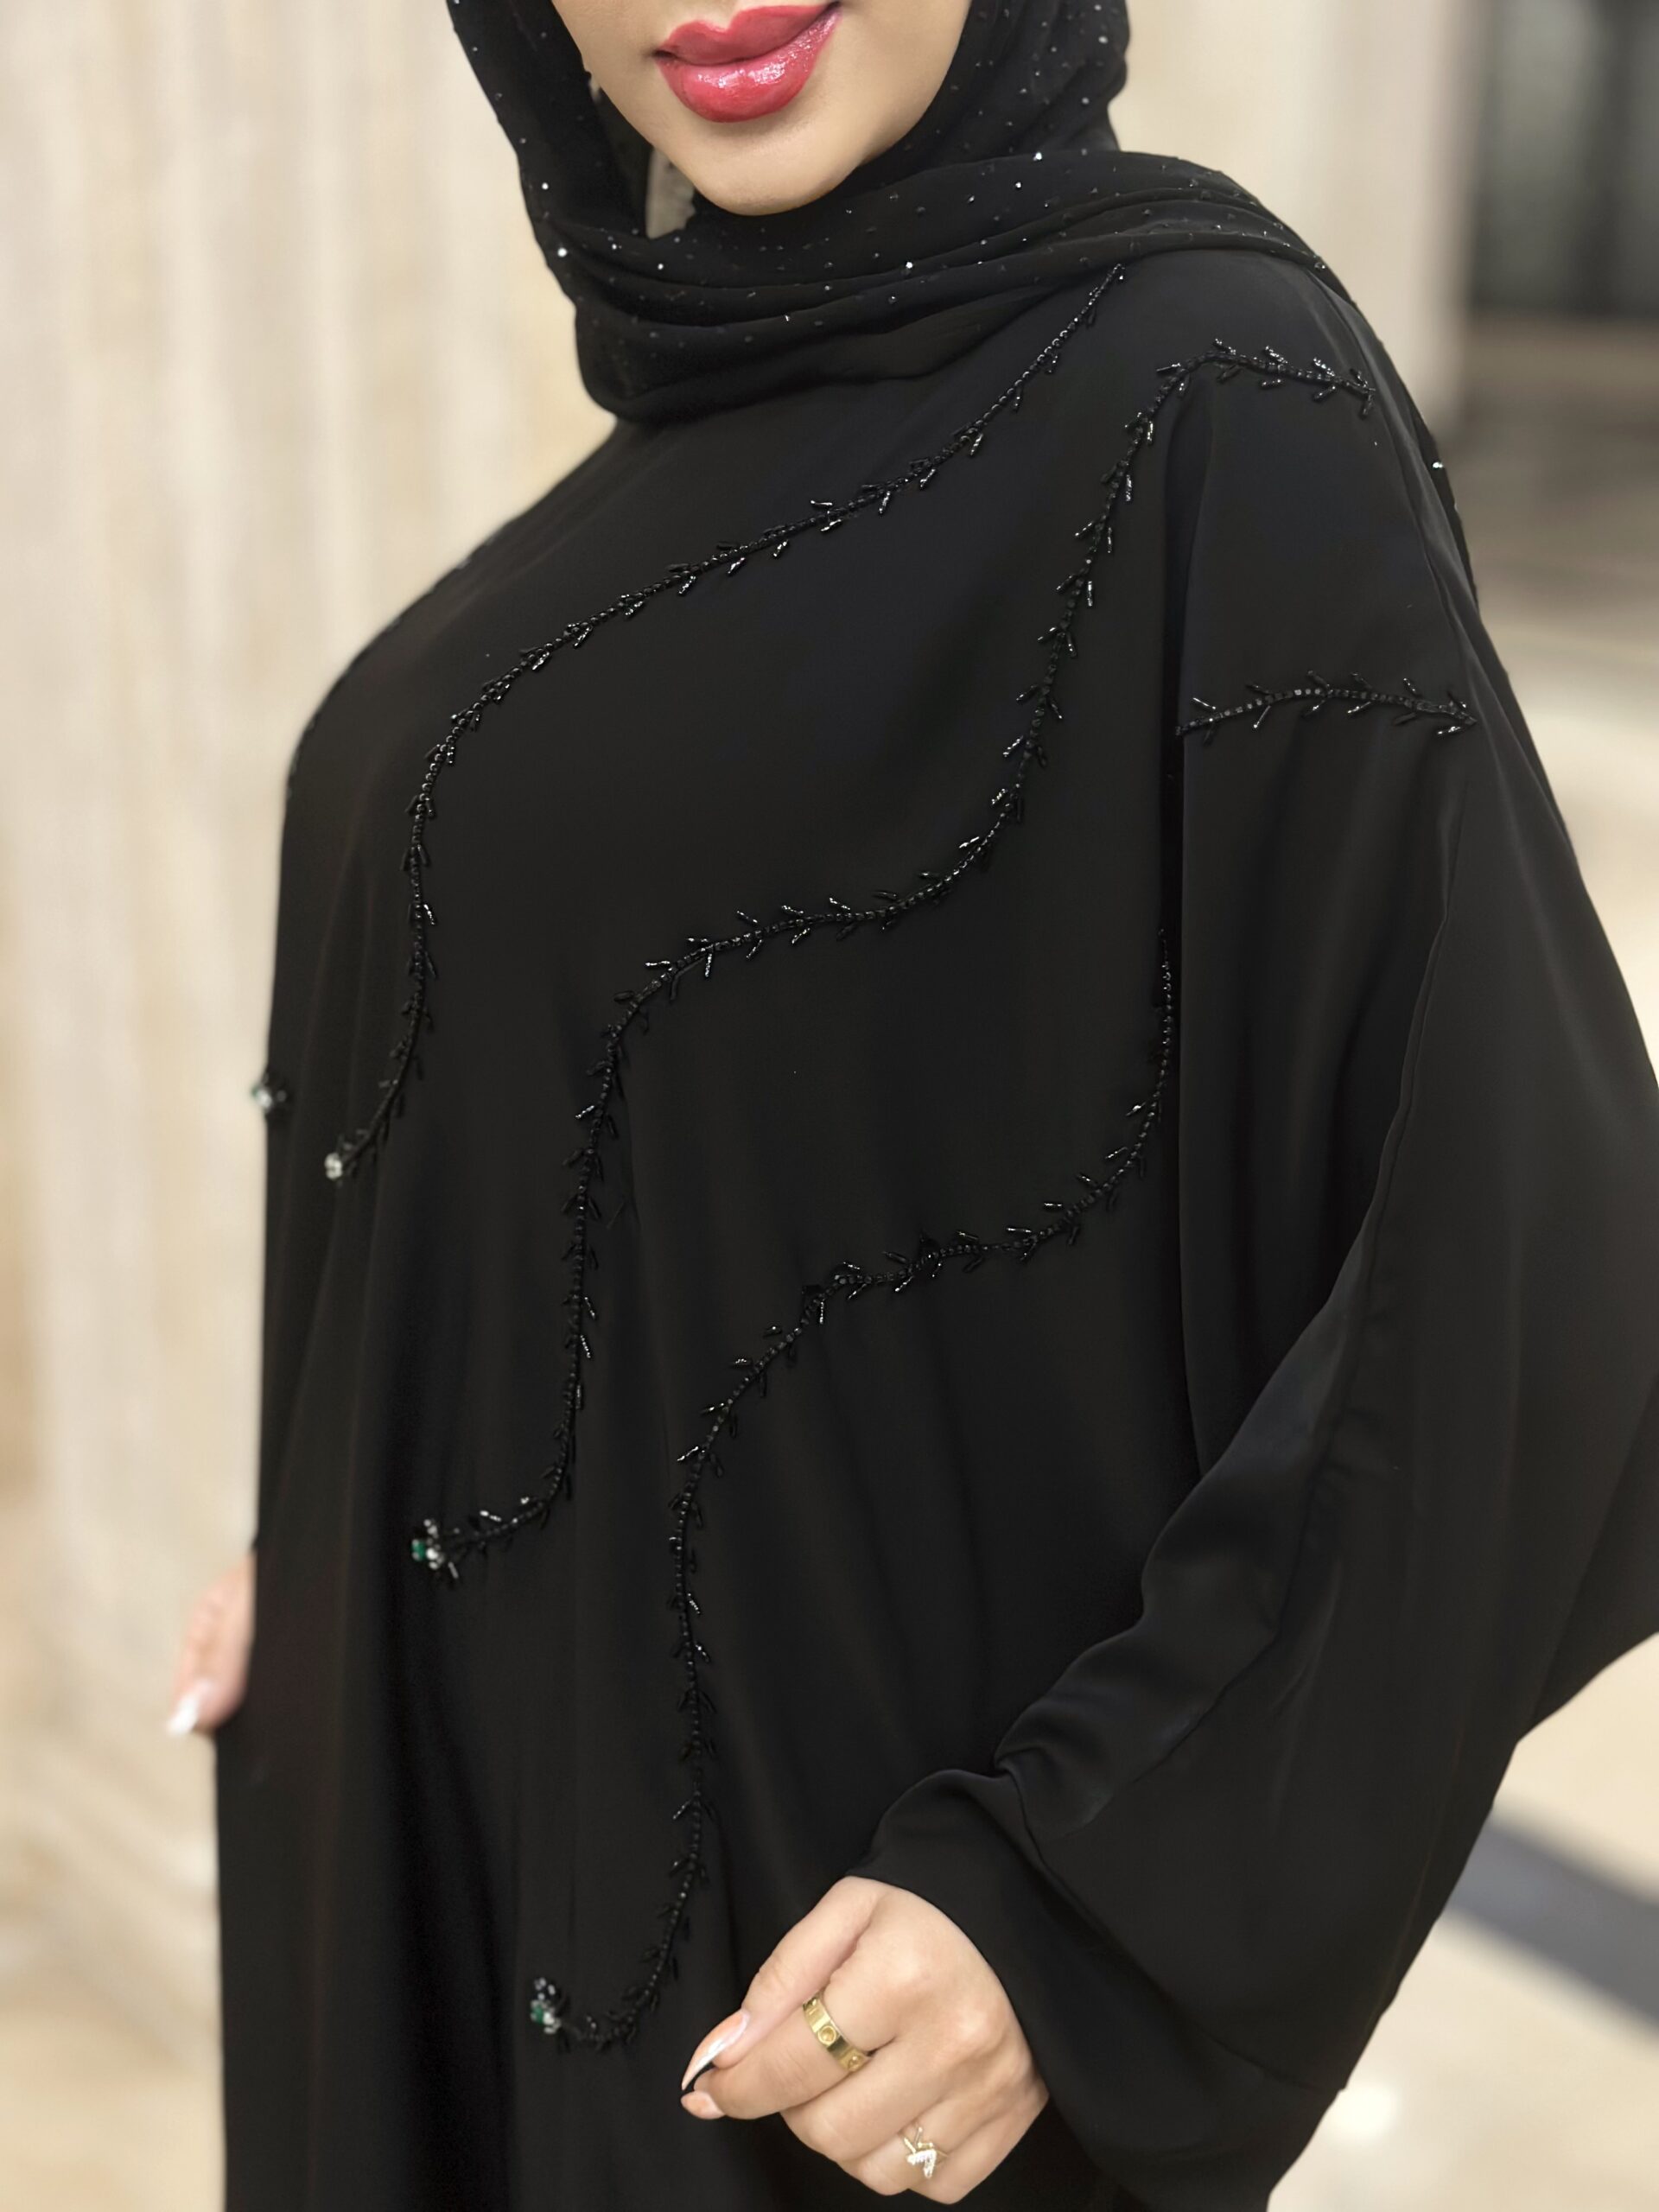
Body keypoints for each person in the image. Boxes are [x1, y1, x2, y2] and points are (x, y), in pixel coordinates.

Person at [170, 3, 1659, 2206]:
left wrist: (1080, 1885)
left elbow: (1531, 1271)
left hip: (815, 2010)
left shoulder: (1212, 397)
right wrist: (354, 1502)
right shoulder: (689, 432)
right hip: (454, 1842)